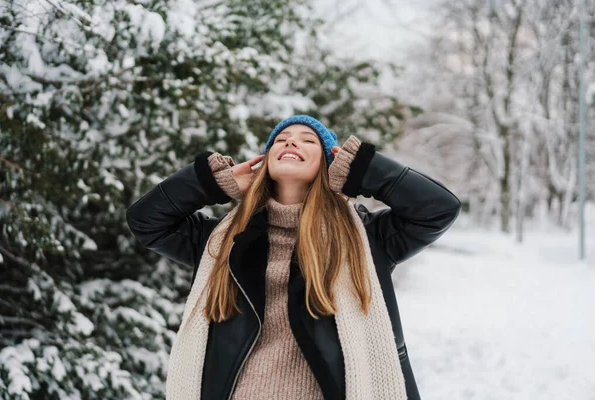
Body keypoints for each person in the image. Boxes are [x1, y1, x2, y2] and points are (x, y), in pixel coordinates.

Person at [126, 115, 461, 400]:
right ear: (266, 160)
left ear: (331, 164)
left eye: (307, 141)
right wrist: (212, 184)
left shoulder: (368, 238)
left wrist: (364, 170)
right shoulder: (221, 240)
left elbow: (438, 209)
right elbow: (146, 222)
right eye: (281, 139)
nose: (290, 143)